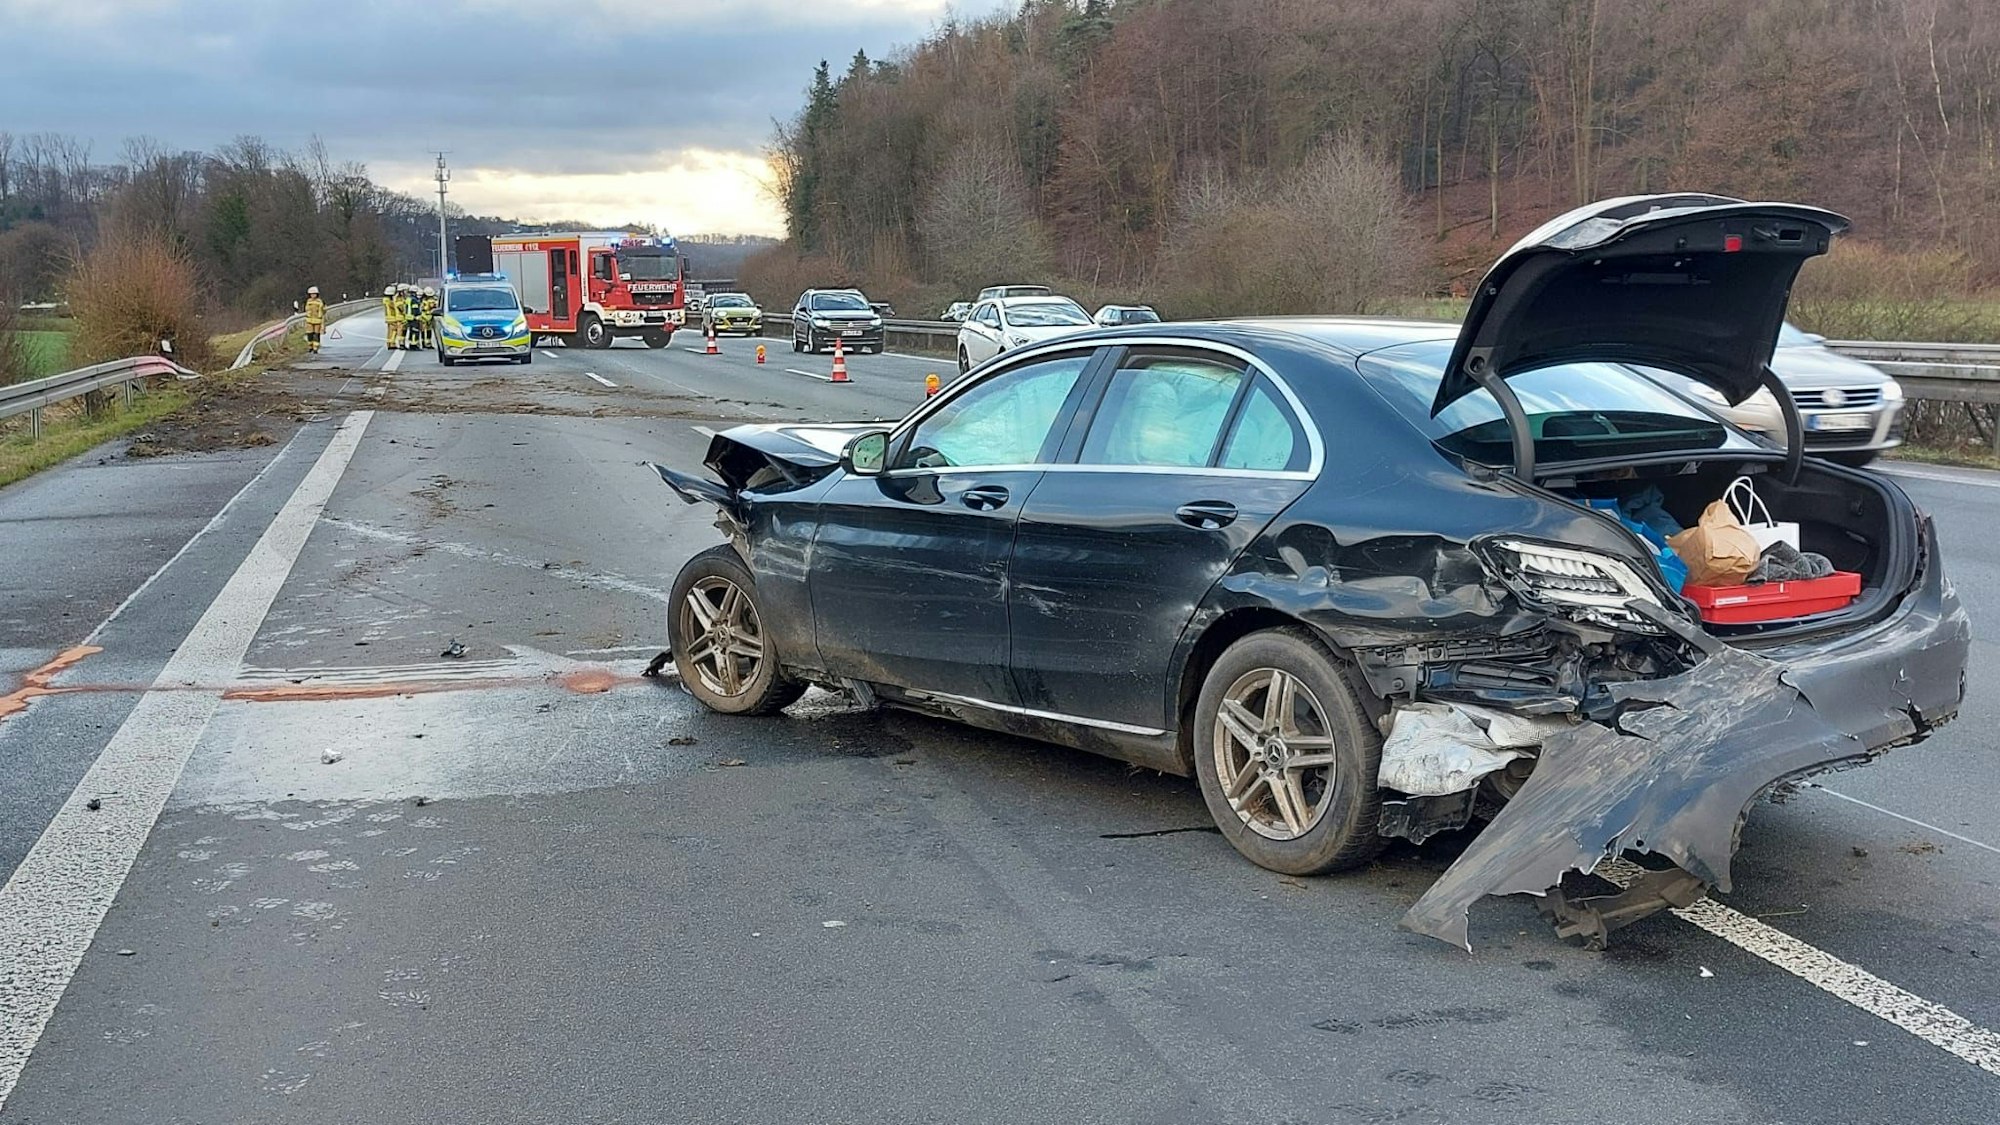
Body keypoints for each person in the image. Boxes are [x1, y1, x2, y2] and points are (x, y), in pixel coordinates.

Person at [303, 286, 326, 354]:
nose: (313, 295)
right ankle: (310, 347)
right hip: (309, 321)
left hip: (317, 321)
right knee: (309, 334)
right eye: (311, 294)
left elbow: (324, 310)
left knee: (316, 334)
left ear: (317, 294)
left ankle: (315, 348)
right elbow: (305, 310)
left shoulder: (320, 301)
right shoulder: (307, 301)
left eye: (314, 294)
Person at [382, 285, 402, 352]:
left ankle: (389, 343)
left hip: (388, 317)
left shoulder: (385, 299)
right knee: (394, 331)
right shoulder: (389, 301)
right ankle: (392, 344)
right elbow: (395, 306)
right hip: (392, 317)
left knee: (389, 332)